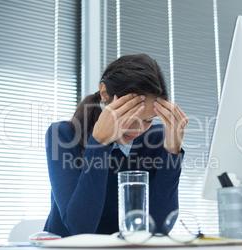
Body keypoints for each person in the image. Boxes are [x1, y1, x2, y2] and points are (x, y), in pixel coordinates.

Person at [44, 54, 188, 237]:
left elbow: (158, 229)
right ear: (104, 94)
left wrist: (172, 152)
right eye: (128, 117)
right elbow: (80, 228)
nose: (137, 130)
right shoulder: (63, 135)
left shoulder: (157, 141)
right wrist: (99, 144)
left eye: (148, 120)